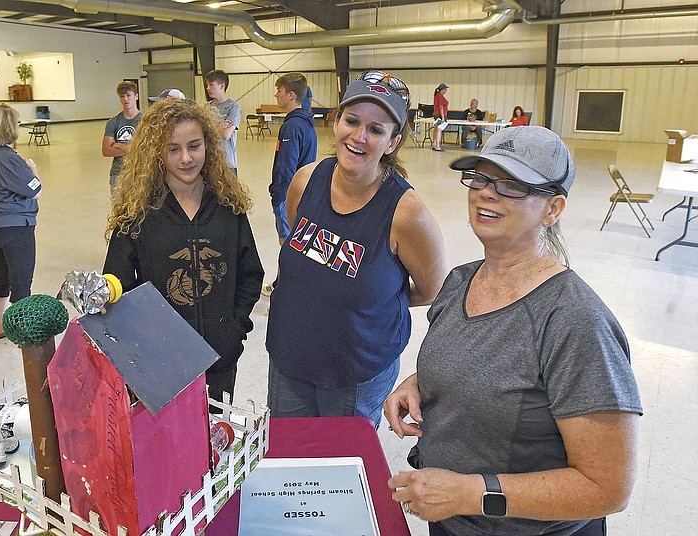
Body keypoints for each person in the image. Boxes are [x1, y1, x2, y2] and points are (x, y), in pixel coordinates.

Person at [384, 126, 642, 536]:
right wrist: (422, 381)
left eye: (512, 185)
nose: (486, 192)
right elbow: (486, 360)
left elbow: (608, 487)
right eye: (481, 178)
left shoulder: (574, 320)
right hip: (450, 522)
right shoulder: (460, 281)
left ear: (553, 209)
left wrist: (471, 493)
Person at [266, 70, 448, 428]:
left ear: (393, 143)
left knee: (340, 473)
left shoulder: (406, 214)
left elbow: (433, 289)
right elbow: (296, 243)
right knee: (288, 463)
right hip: (290, 358)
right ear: (336, 121)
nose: (359, 136)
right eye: (352, 120)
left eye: (376, 130)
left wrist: (370, 302)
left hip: (354, 374)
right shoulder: (306, 181)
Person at [103, 99, 264, 404]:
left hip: (220, 358)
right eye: (173, 149)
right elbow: (117, 284)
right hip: (160, 362)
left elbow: (250, 274)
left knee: (215, 435)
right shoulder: (137, 213)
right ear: (157, 152)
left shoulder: (228, 207)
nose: (186, 158)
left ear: (209, 146)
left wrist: (235, 329)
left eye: (194, 146)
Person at [0, 104, 43, 340]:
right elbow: (36, 190)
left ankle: (0, 327)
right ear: (7, 127)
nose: (18, 127)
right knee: (21, 280)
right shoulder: (8, 159)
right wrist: (33, 170)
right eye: (15, 123)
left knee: (1, 274)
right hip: (14, 226)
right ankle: (22, 332)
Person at [263, 72, 318, 296]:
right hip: (303, 193)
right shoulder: (306, 123)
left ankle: (286, 290)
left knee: (288, 244)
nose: (276, 94)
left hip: (289, 196)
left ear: (291, 94)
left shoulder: (292, 127)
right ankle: (280, 283)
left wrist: (278, 197)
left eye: (280, 90)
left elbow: (286, 167)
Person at [102, 81, 142, 190]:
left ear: (136, 96)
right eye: (122, 96)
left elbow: (145, 150)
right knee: (118, 206)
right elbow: (106, 151)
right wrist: (133, 149)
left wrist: (118, 145)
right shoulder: (113, 122)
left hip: (140, 172)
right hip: (118, 173)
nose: (125, 99)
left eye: (128, 95)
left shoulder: (145, 121)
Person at [204, 69, 242, 174]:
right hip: (209, 162)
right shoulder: (206, 107)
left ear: (222, 86)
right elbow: (201, 132)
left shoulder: (233, 107)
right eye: (207, 85)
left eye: (211, 85)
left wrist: (209, 125)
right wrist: (220, 125)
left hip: (227, 163)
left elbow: (226, 134)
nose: (208, 88)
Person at [432, 83, 449, 151]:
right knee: (439, 130)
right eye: (446, 89)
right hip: (440, 115)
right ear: (443, 89)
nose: (446, 91)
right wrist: (443, 117)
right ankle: (437, 146)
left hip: (436, 114)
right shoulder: (440, 96)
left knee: (436, 130)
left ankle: (434, 144)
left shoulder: (437, 95)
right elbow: (441, 107)